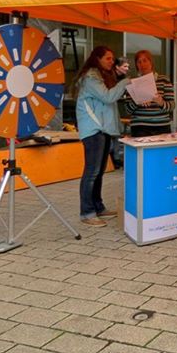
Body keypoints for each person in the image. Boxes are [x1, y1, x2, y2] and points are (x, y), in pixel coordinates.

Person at [75, 46, 131, 227]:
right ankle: (87, 212)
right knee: (91, 172)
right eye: (108, 58)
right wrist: (125, 82)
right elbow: (108, 97)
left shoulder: (101, 76)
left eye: (112, 58)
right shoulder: (91, 78)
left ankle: (98, 207)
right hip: (93, 131)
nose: (111, 61)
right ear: (97, 59)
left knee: (98, 172)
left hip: (103, 130)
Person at [125, 50, 175, 137]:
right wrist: (137, 101)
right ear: (136, 65)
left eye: (145, 60)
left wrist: (161, 103)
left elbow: (172, 106)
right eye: (139, 62)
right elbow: (127, 110)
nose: (142, 64)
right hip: (140, 127)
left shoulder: (164, 80)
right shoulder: (133, 83)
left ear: (151, 62)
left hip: (161, 126)